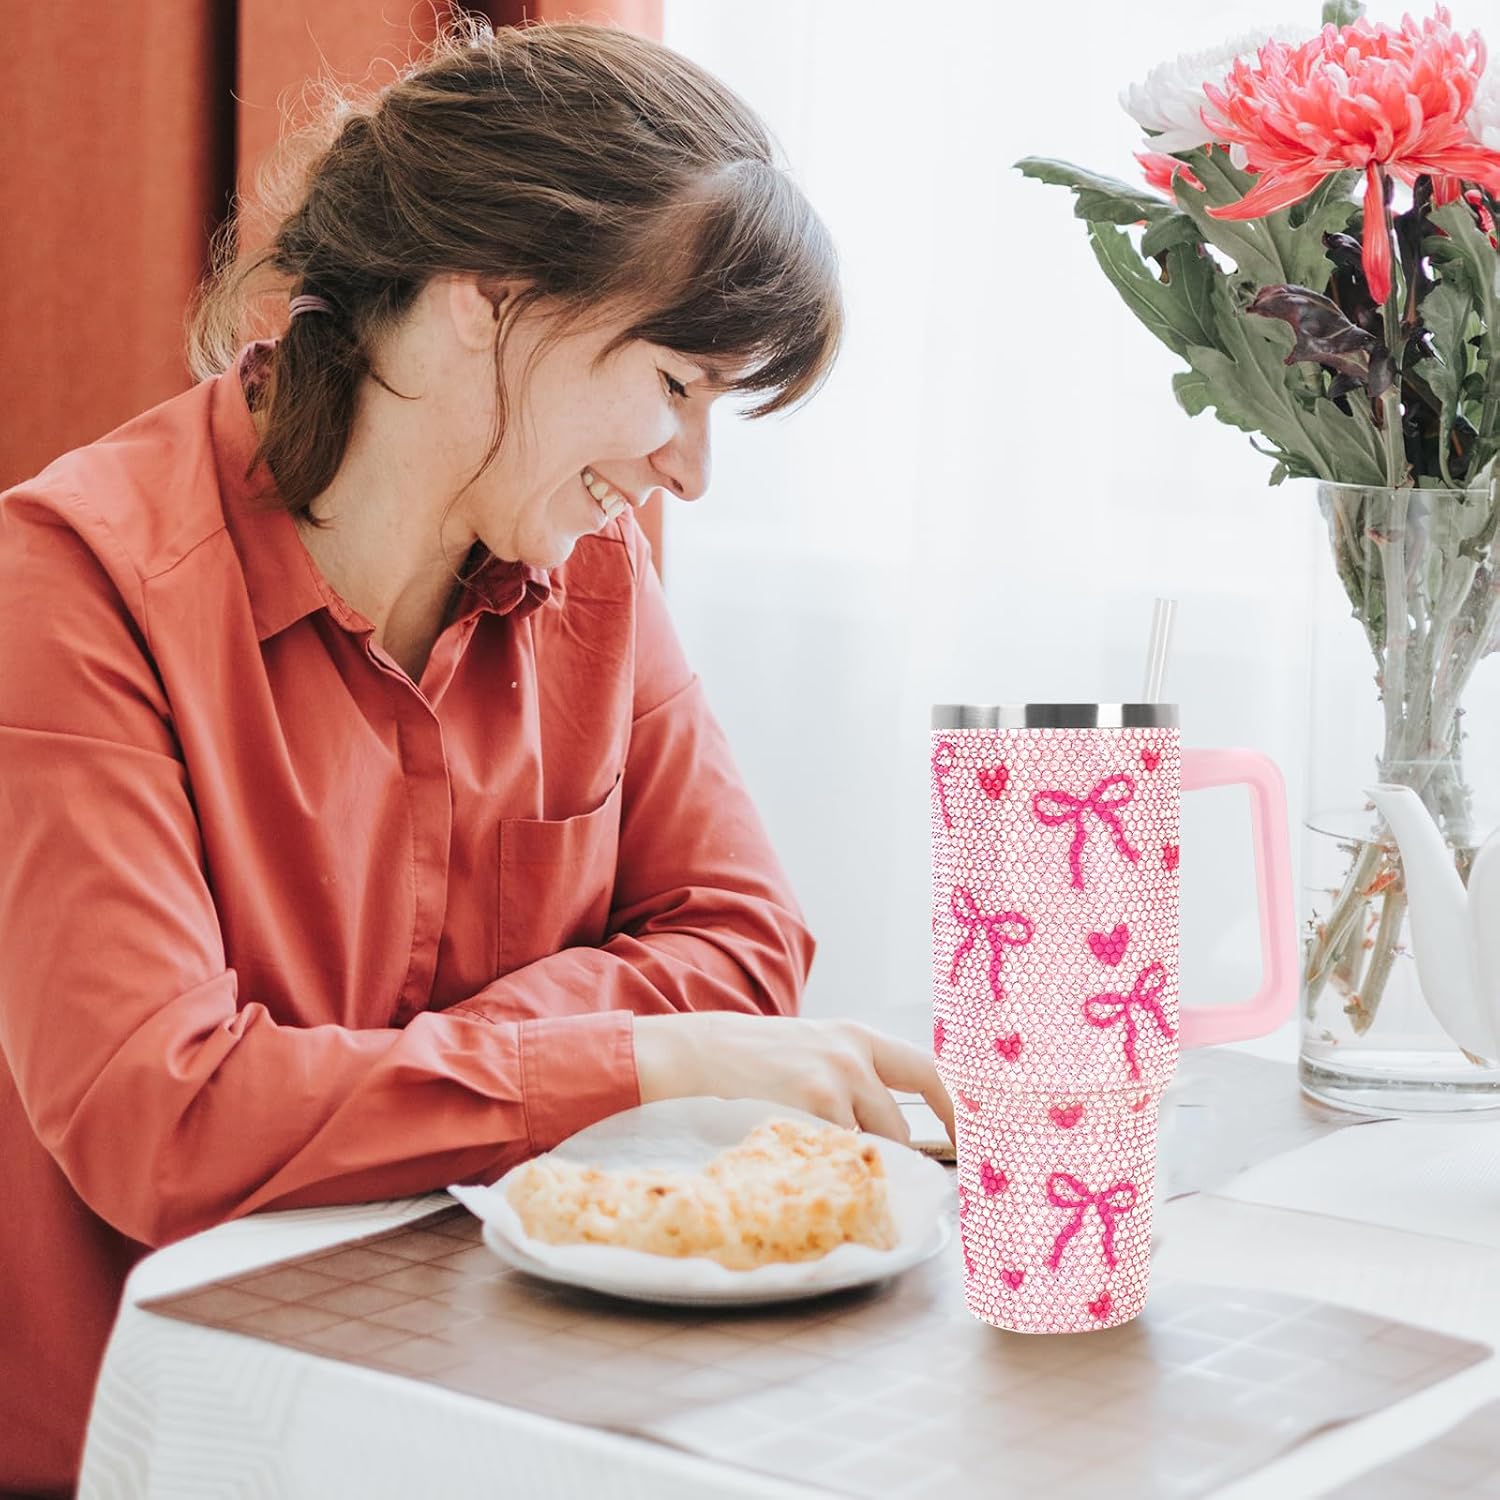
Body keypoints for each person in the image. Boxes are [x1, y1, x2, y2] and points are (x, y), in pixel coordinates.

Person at [0, 19, 954, 1497]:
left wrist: (410, 1075)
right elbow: (162, 1118)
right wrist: (641, 1054)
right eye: (678, 386)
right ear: (481, 304)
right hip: (165, 1428)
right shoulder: (73, 586)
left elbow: (747, 941)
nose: (691, 472)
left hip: (485, 1382)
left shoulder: (596, 572)